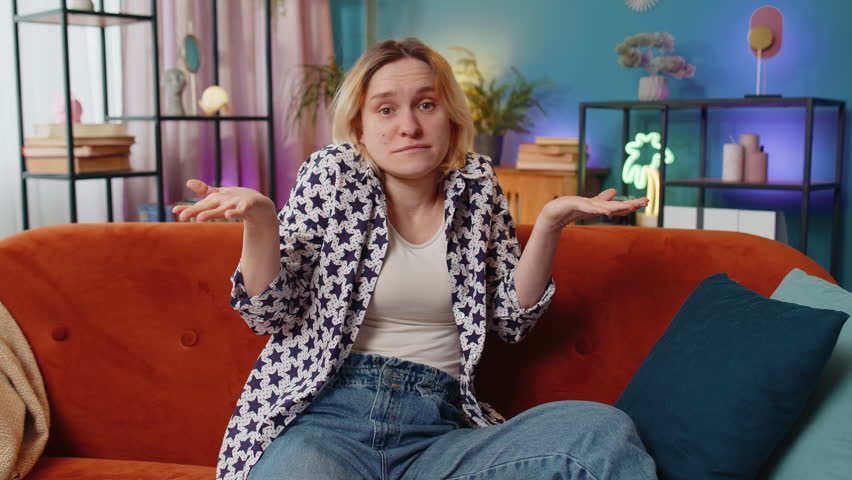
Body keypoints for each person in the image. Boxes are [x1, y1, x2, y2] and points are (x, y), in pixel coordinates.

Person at [174, 38, 654, 480]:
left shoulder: (477, 186)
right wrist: (261, 221)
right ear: (361, 126)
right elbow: (271, 314)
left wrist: (549, 223)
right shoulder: (330, 176)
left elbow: (511, 320)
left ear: (449, 116)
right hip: (326, 423)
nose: (409, 125)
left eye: (426, 104)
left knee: (601, 431)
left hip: (438, 434)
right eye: (386, 109)